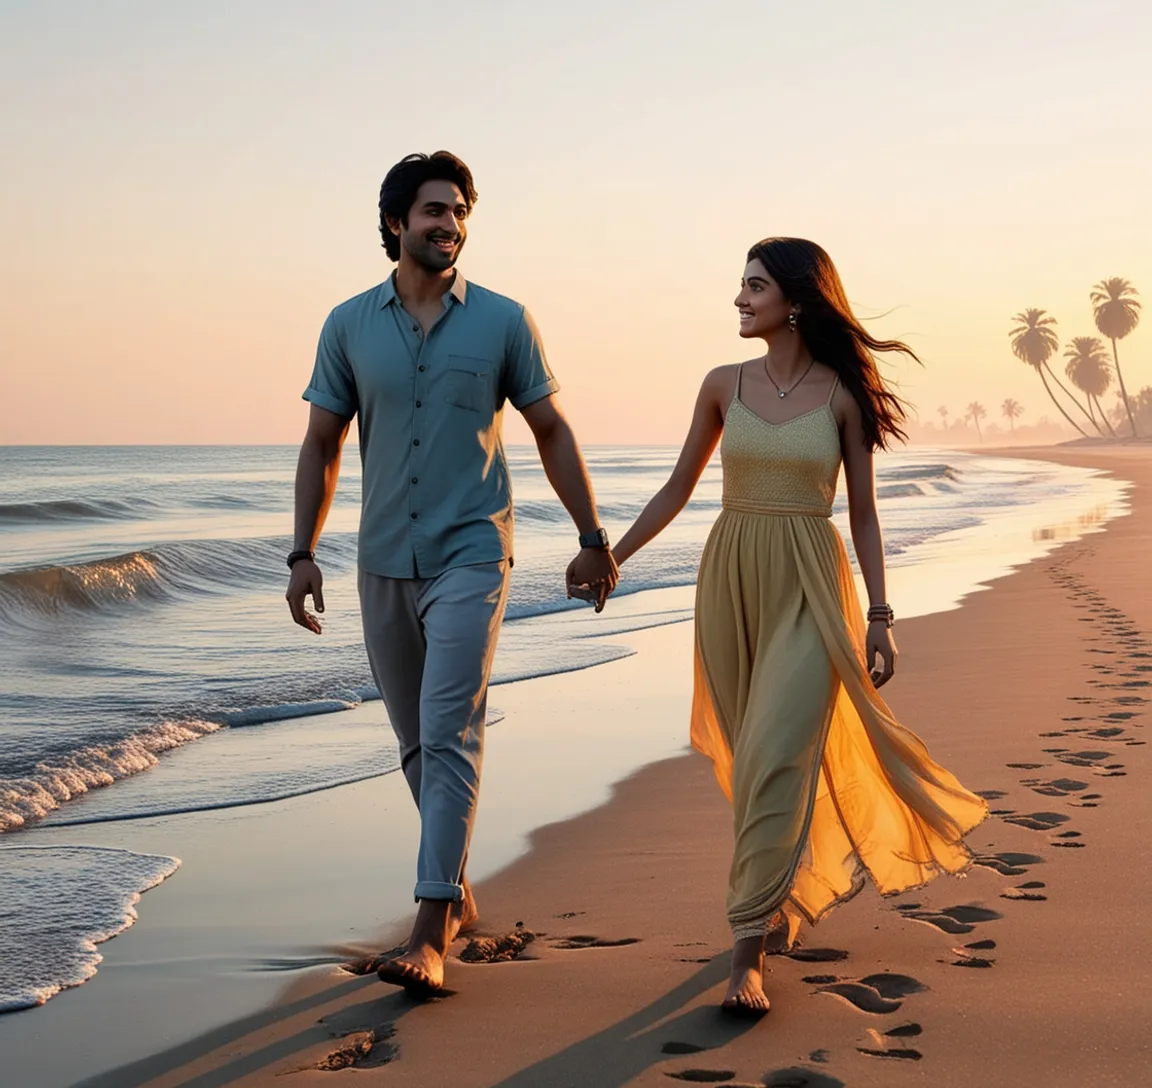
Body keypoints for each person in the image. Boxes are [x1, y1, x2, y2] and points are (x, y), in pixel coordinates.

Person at [607, 237, 987, 1016]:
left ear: (796, 300)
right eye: (740, 286)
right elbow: (679, 487)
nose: (740, 300)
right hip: (732, 580)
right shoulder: (723, 385)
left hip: (814, 583)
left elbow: (866, 514)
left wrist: (881, 617)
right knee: (755, 763)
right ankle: (779, 895)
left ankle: (745, 954)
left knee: (781, 750)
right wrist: (613, 555)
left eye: (754, 287)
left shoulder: (843, 395)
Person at [286, 151, 618, 999]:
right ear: (396, 223)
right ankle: (457, 890)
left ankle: (431, 929)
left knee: (450, 731)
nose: (451, 223)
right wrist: (301, 553)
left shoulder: (504, 321)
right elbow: (322, 444)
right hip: (382, 560)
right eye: (434, 210)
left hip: (474, 551)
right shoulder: (347, 324)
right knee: (412, 741)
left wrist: (591, 534)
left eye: (461, 210)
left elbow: (550, 429)